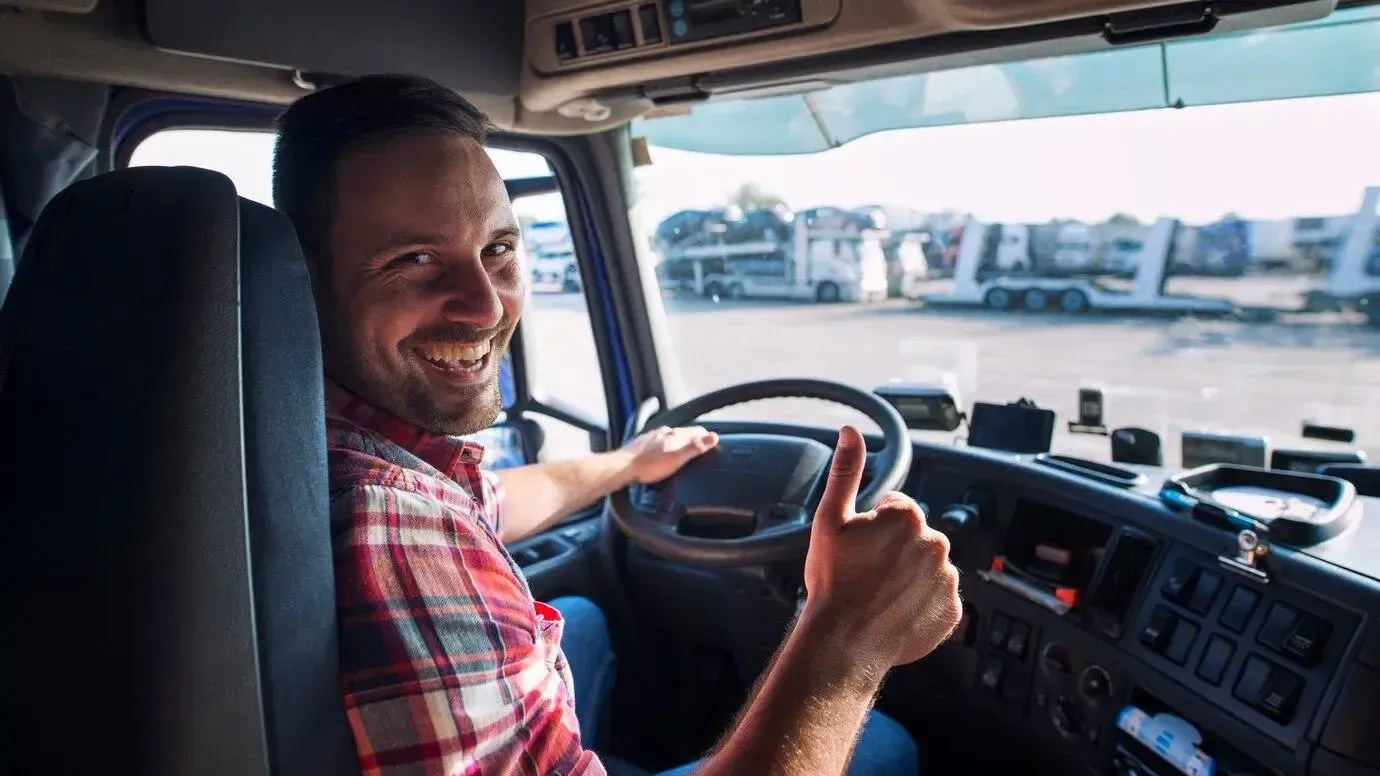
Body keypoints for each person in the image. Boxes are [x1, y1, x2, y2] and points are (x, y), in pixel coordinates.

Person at [272, 73, 962, 776]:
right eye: (414, 261)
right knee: (884, 746)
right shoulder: (393, 528)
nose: (486, 308)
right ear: (303, 280)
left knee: (586, 621)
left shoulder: (318, 438)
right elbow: (419, 528)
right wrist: (846, 633)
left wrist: (629, 464)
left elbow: (494, 500)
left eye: (499, 250)